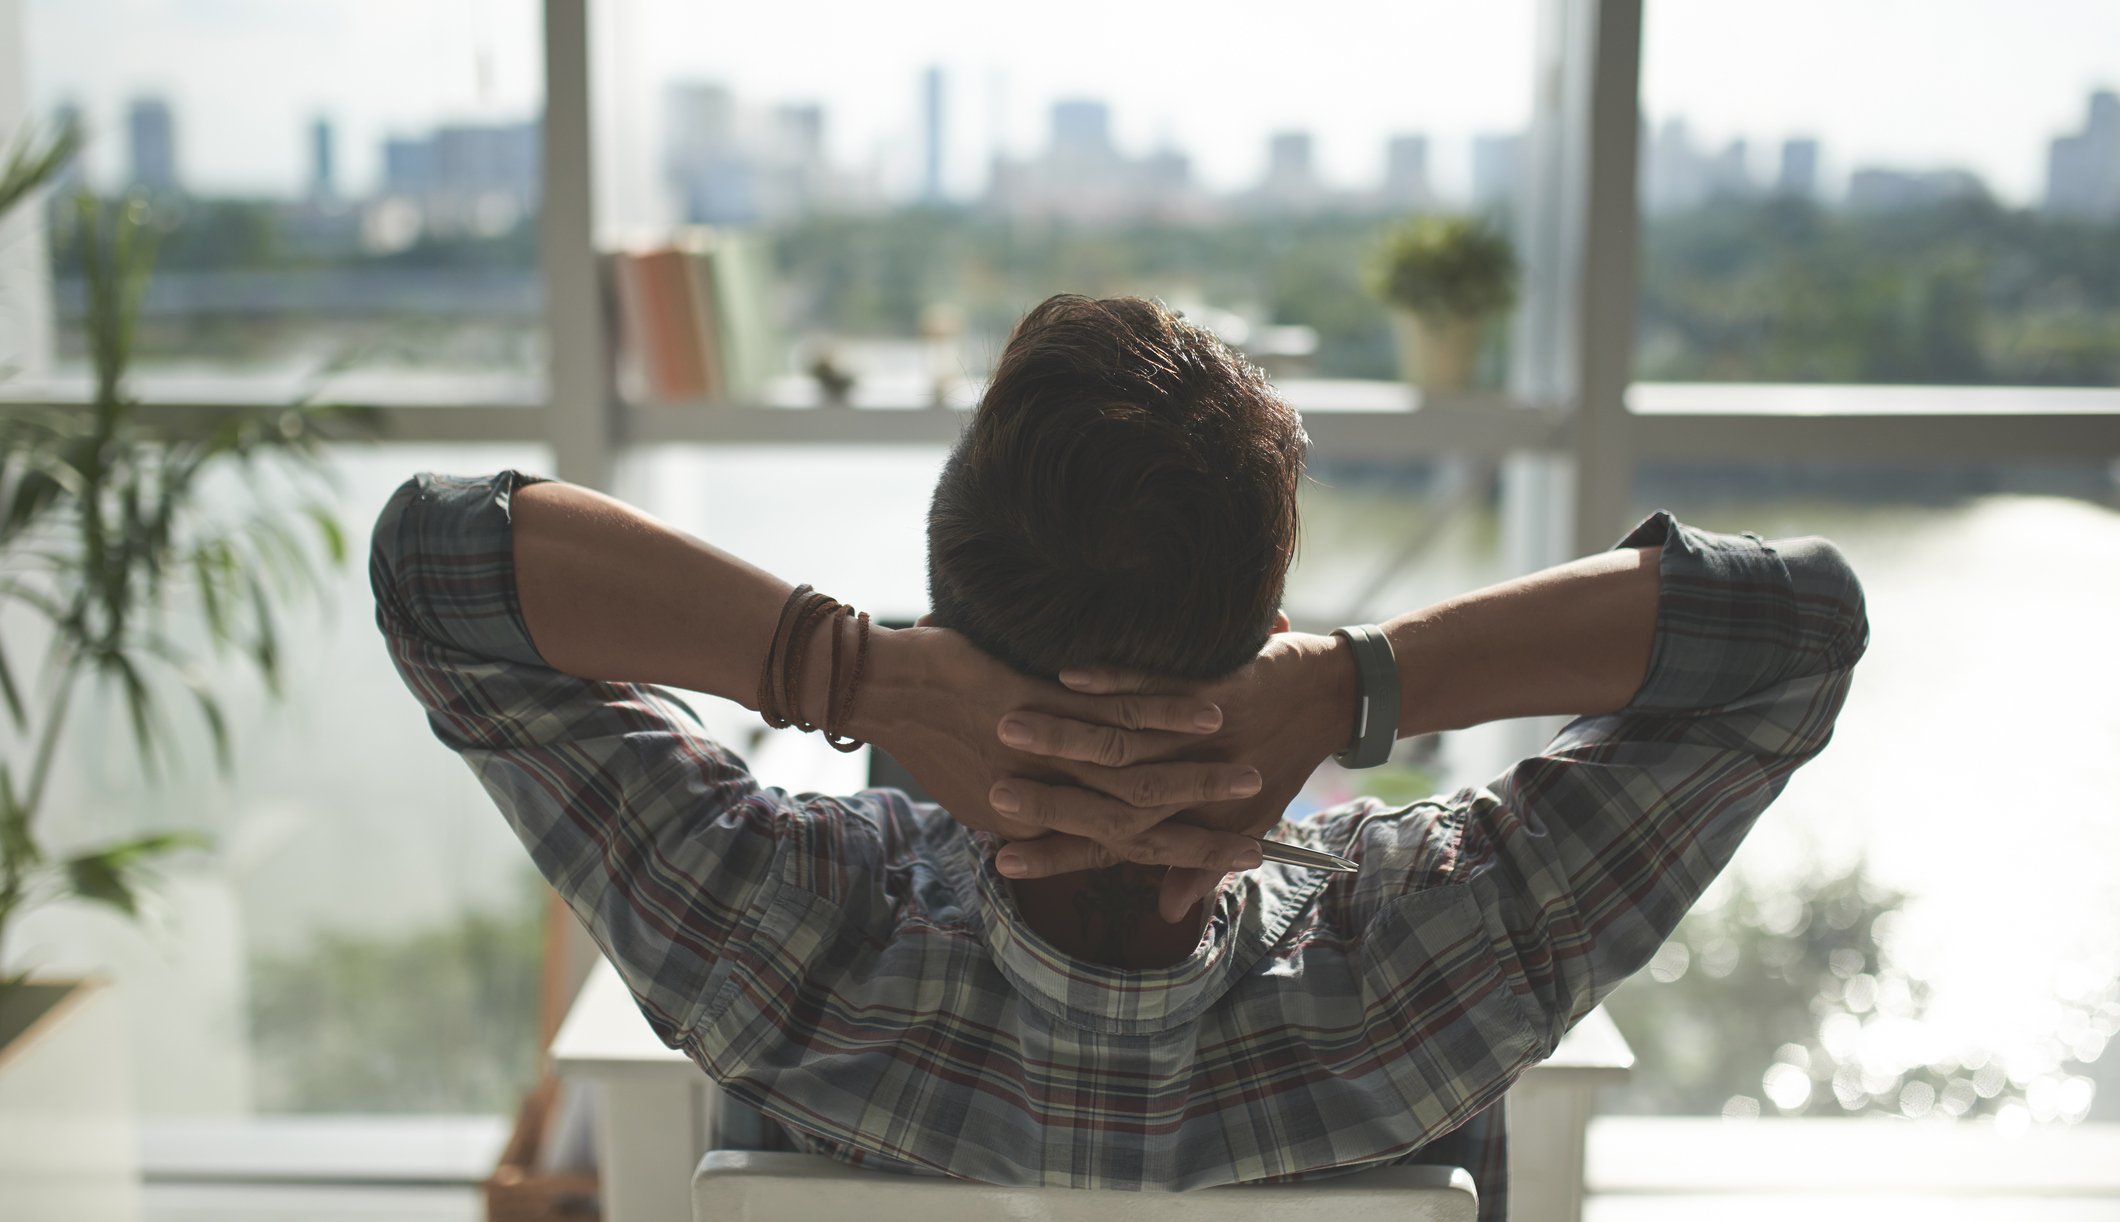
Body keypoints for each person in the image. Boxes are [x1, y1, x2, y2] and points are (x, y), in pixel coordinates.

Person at [371, 295, 1867, 1220]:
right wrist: (1356, 685)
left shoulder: (777, 936)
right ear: (1268, 633)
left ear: (952, 628)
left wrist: (858, 668)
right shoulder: (1433, 961)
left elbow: (440, 566)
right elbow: (1797, 629)